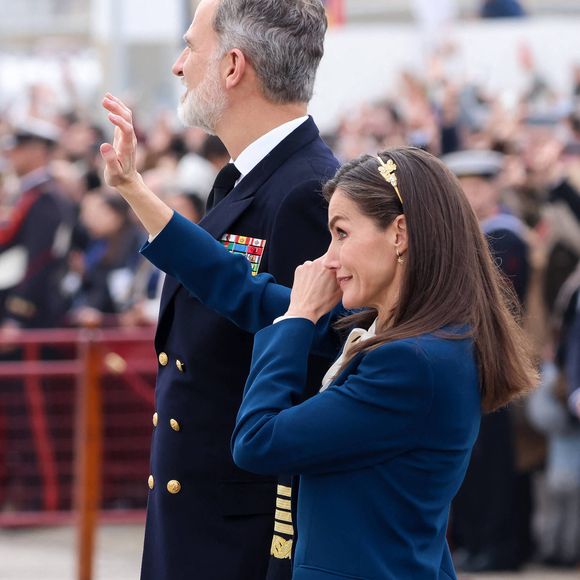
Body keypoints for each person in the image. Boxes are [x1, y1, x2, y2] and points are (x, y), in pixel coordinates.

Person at [101, 97, 537, 575]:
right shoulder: (402, 337)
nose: (328, 258)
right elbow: (239, 287)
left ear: (400, 235)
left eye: (342, 234)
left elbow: (258, 441)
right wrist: (132, 187)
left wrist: (296, 320)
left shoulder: (412, 360)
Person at [101, 0, 339, 577]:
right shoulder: (245, 179)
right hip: (200, 514)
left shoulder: (305, 189)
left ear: (233, 66)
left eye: (191, 47)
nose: (179, 66)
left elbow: (300, 360)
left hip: (243, 528)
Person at [443, 149, 533, 572]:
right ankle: (476, 540)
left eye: (479, 185)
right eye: (465, 186)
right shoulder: (472, 233)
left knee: (494, 459)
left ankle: (497, 543)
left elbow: (503, 304)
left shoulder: (505, 236)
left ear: (495, 187)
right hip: (468, 359)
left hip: (492, 358)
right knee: (472, 461)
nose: (472, 193)